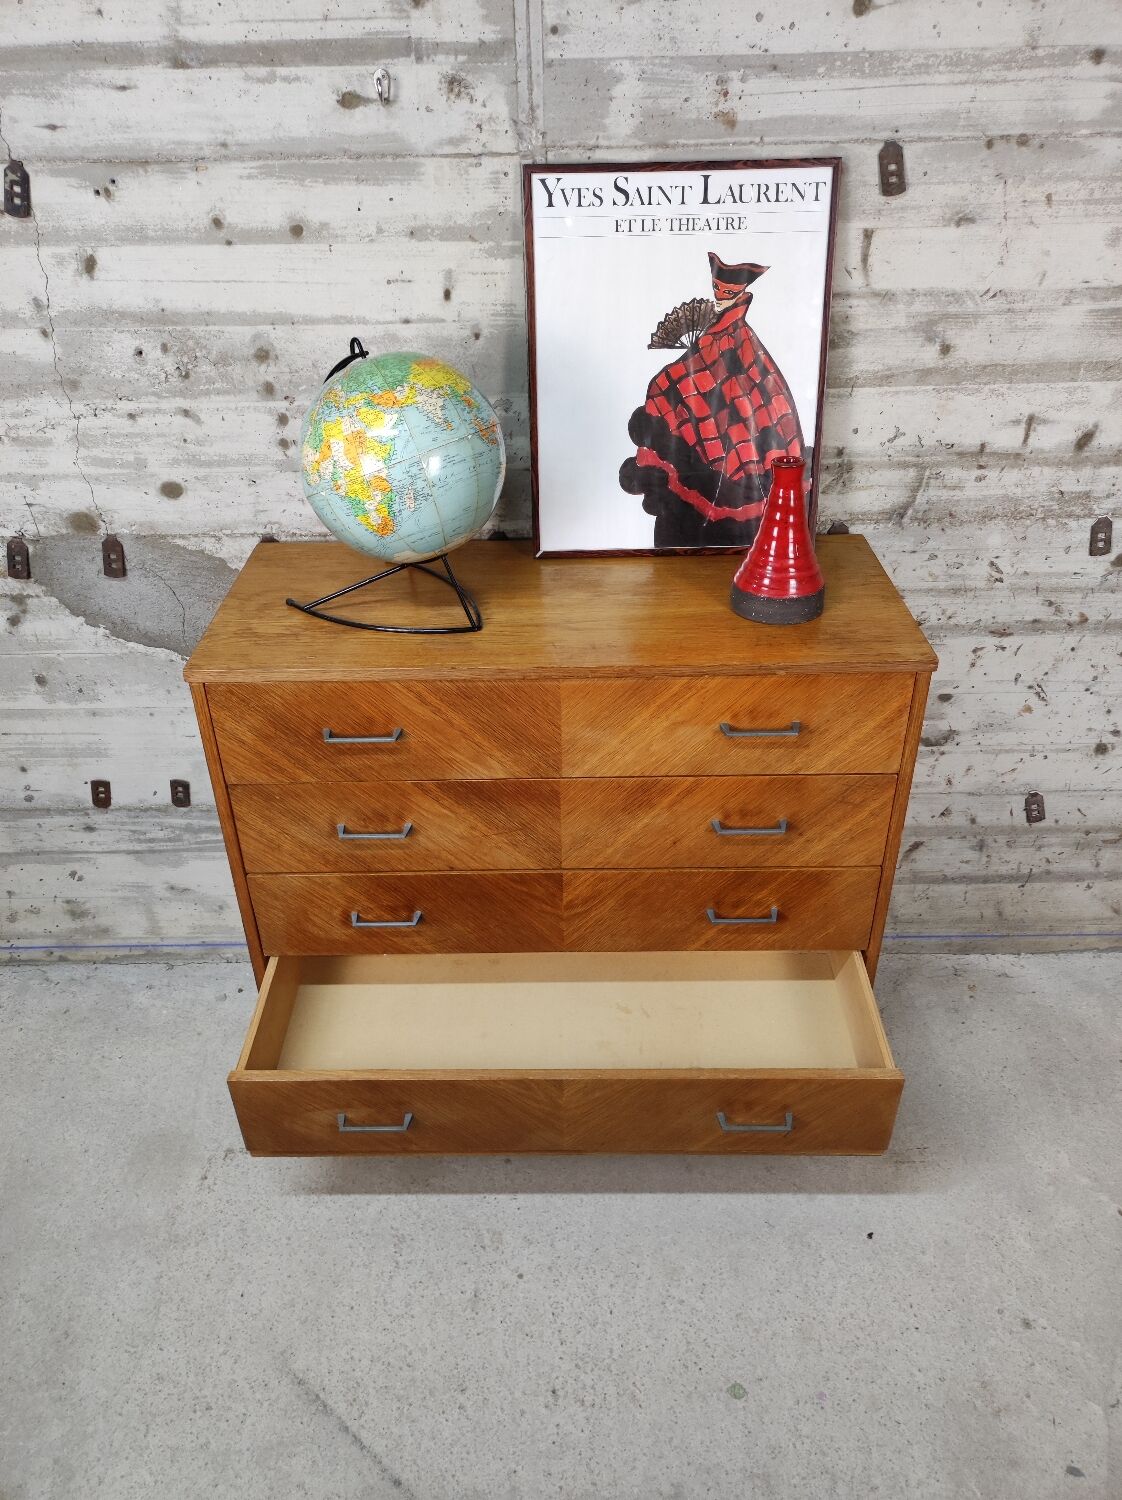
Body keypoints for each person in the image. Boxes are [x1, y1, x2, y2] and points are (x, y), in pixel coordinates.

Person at [619, 251, 807, 548]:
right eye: (718, 290)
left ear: (742, 293)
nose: (720, 297)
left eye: (728, 292)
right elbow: (699, 364)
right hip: (707, 406)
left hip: (729, 413)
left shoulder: (739, 334)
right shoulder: (717, 329)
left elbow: (735, 372)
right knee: (664, 386)